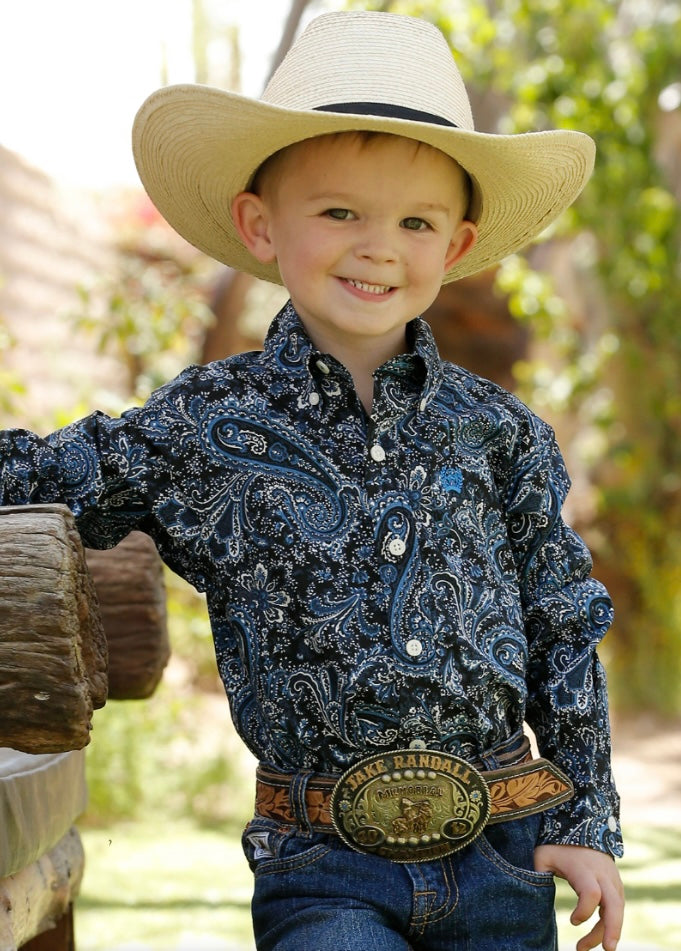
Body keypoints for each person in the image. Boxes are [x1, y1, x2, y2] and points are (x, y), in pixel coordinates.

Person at [0, 10, 624, 951]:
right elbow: (45, 472)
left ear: (453, 246)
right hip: (322, 859)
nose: (379, 246)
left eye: (414, 220)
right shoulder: (205, 425)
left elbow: (562, 625)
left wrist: (586, 826)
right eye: (339, 211)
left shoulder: (503, 435)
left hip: (501, 848)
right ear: (260, 225)